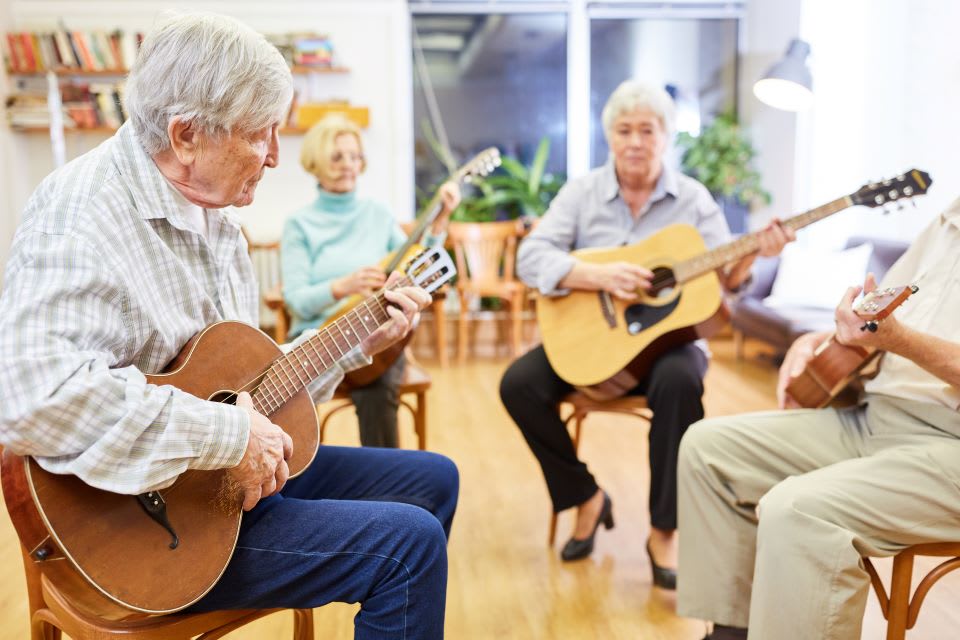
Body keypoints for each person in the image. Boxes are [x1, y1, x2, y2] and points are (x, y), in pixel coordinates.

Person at [0, 13, 458, 639]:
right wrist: (226, 435)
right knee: (408, 547)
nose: (274, 156)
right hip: (146, 532)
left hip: (223, 493)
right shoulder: (79, 215)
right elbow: (33, 398)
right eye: (260, 135)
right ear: (185, 134)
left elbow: (249, 385)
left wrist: (356, 350)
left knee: (433, 481)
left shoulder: (213, 210)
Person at [499, 80, 793, 589]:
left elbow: (727, 282)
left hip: (668, 346)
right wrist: (598, 276)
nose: (635, 141)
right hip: (594, 344)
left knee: (681, 383)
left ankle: (663, 530)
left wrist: (753, 254)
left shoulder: (694, 201)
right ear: (609, 136)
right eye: (624, 130)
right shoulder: (582, 192)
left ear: (666, 136)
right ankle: (585, 498)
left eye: (647, 130)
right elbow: (530, 257)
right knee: (517, 385)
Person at [677, 199, 960, 639]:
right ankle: (731, 631)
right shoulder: (947, 221)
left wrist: (901, 341)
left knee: (798, 511)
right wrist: (819, 339)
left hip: (950, 447)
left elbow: (900, 336)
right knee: (707, 448)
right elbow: (880, 316)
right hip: (877, 416)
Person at [282, 114, 460, 448]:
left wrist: (439, 226)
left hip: (372, 337)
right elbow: (296, 300)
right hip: (317, 341)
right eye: (337, 157)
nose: (348, 165)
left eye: (355, 156)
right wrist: (342, 286)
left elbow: (418, 268)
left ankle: (386, 490)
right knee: (373, 378)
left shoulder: (377, 214)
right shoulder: (299, 225)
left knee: (378, 381)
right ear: (316, 162)